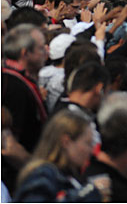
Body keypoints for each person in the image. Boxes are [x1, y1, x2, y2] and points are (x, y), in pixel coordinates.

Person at [14, 110, 101, 202]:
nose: (91, 151)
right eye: (87, 143)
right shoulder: (43, 174)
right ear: (66, 142)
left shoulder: (67, 175)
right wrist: (87, 193)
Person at [2, 24, 48, 153]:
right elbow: (11, 145)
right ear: (25, 53)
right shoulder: (14, 86)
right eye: (41, 48)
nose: (46, 52)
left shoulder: (15, 78)